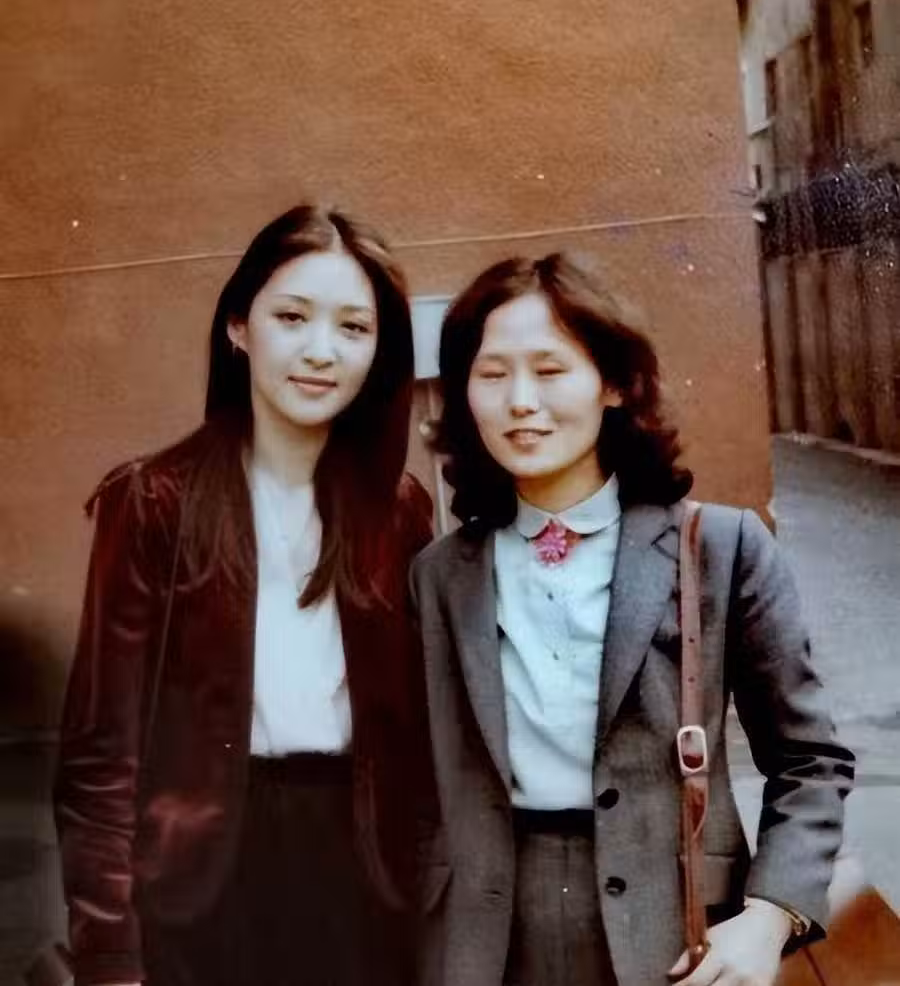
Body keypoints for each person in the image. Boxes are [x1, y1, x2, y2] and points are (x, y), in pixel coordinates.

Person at [410, 253, 854, 986]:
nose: (521, 400)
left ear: (612, 384)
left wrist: (770, 915)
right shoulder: (439, 574)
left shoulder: (721, 548)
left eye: (550, 369)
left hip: (677, 931)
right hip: (487, 941)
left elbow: (810, 760)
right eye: (492, 374)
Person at [54, 204, 435, 986]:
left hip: (362, 873)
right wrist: (109, 954)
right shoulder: (154, 501)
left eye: (353, 328)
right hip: (201, 881)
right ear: (238, 326)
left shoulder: (397, 510)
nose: (320, 351)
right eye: (291, 317)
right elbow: (101, 755)